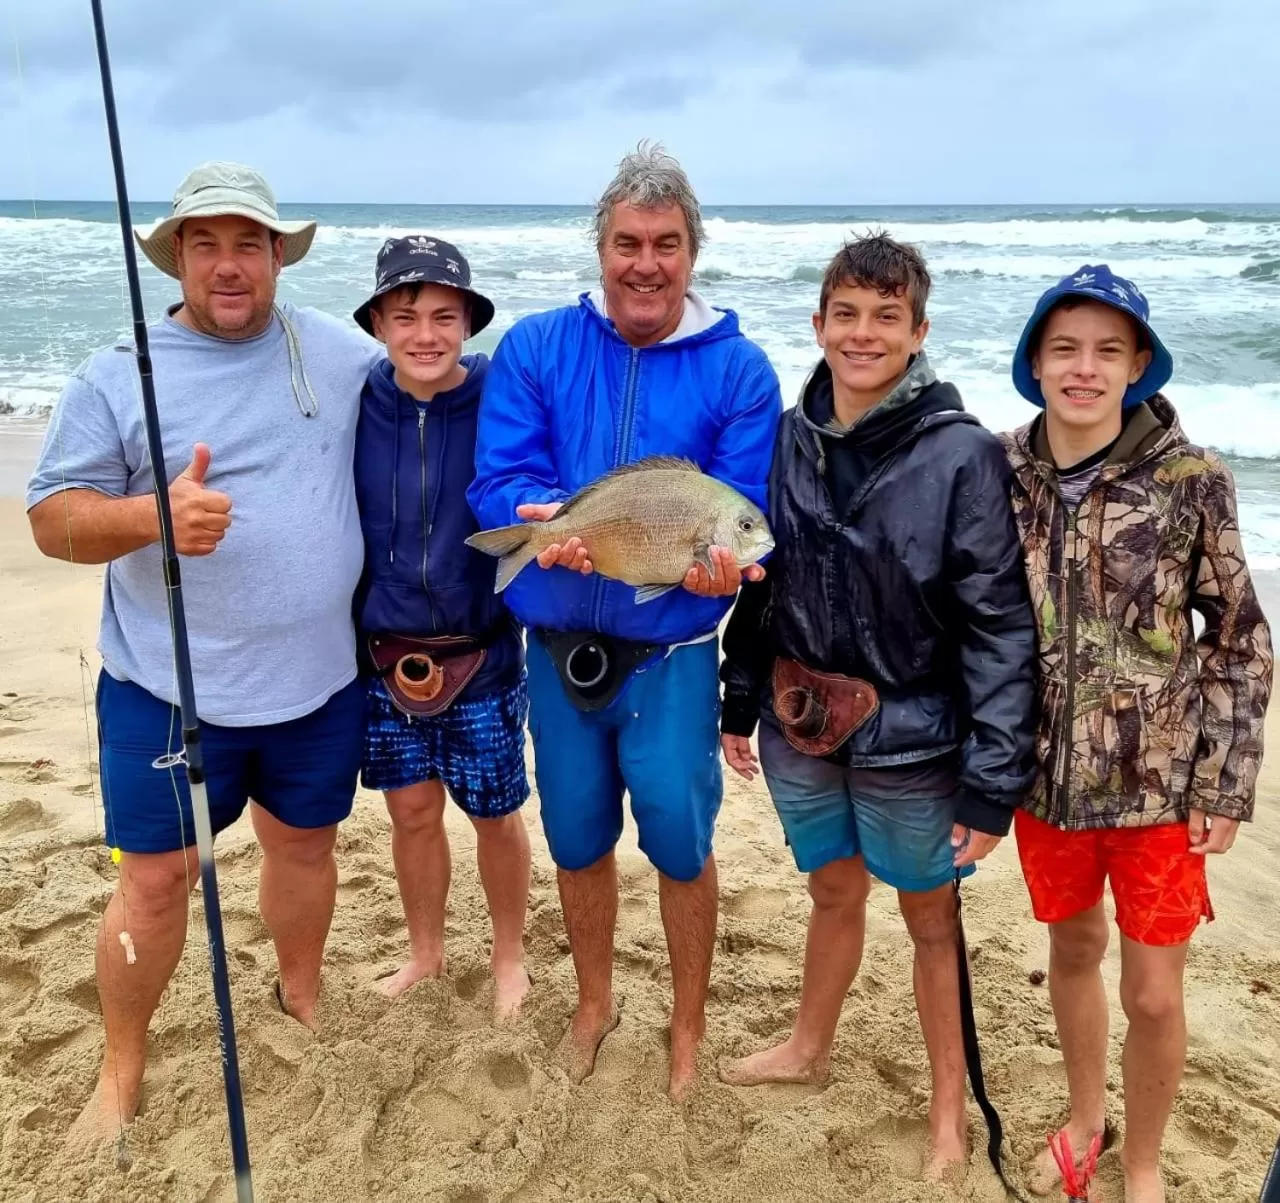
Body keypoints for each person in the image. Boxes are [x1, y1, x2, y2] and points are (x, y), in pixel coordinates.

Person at [25, 162, 379, 1145]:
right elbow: (52, 520)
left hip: (318, 683)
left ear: (278, 256)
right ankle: (120, 1068)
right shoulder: (116, 371)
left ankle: (300, 994)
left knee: (305, 846)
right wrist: (153, 517)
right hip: (165, 689)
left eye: (250, 244)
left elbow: (439, 382)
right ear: (177, 256)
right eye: (207, 244)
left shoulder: (336, 351)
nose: (230, 266)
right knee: (153, 877)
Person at [717, 232, 1038, 1178]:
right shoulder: (786, 436)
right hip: (800, 718)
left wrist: (991, 785)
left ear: (919, 329)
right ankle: (808, 1047)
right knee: (831, 889)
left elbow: (999, 625)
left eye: (885, 317)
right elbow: (760, 582)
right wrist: (738, 695)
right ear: (818, 324)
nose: (863, 334)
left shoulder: (963, 453)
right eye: (845, 314)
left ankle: (948, 1106)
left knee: (930, 915)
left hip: (915, 735)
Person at [467, 142, 782, 1098]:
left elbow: (745, 518)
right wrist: (536, 518)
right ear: (599, 248)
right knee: (575, 840)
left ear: (694, 253)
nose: (646, 263)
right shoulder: (534, 348)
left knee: (683, 848)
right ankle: (595, 1000)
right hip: (559, 653)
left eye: (667, 244)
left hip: (672, 663)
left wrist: (726, 574)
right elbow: (502, 479)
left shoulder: (739, 370)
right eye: (627, 243)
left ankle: (687, 1027)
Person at [999, 265, 1273, 1203]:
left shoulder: (1194, 481)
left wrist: (1224, 782)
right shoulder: (999, 470)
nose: (1085, 368)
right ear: (1035, 362)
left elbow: (1238, 638)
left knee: (1154, 990)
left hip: (1160, 787)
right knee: (1071, 952)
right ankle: (1084, 1122)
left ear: (1140, 365)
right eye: (1065, 348)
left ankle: (1145, 1162)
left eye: (1108, 350)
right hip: (1045, 781)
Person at [351, 236, 532, 1019]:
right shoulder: (356, 399)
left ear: (468, 323)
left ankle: (509, 955)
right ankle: (425, 951)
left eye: (444, 316)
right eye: (406, 315)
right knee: (412, 811)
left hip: (483, 653)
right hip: (386, 654)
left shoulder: (501, 394)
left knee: (495, 812)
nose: (425, 334)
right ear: (380, 324)